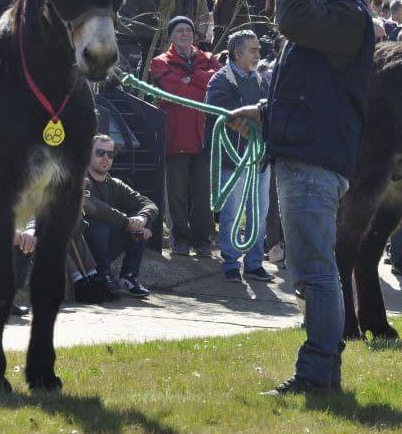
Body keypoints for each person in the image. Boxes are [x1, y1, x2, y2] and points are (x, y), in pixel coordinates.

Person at [227, 0, 374, 395]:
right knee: (311, 269)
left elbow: (290, 21)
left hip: (315, 160)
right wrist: (265, 111)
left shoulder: (346, 16)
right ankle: (323, 371)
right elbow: (313, 91)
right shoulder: (327, 20)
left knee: (314, 270)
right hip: (306, 152)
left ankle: (315, 373)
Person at [206, 30, 274, 282]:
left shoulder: (263, 81)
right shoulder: (220, 81)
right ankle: (230, 263)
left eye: (258, 49)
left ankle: (254, 264)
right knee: (231, 212)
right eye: (253, 50)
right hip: (232, 160)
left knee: (259, 212)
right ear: (238, 52)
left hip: (259, 160)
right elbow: (216, 114)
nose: (258, 55)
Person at [150, 15, 220, 257]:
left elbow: (215, 83)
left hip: (202, 136)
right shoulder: (159, 62)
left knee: (202, 193)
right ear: (170, 36)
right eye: (179, 31)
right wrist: (196, 83)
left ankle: (203, 241)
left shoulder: (210, 59)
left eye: (188, 30)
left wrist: (191, 79)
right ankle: (180, 239)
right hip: (175, 136)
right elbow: (174, 89)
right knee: (177, 193)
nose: (184, 34)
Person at [81, 134, 159, 297]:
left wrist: (141, 219)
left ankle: (129, 277)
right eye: (100, 152)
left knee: (141, 218)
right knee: (99, 222)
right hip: (83, 249)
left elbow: (149, 204)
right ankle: (103, 273)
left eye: (110, 154)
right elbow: (92, 207)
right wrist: (127, 222)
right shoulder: (80, 180)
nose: (106, 158)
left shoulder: (115, 183)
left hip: (106, 245)